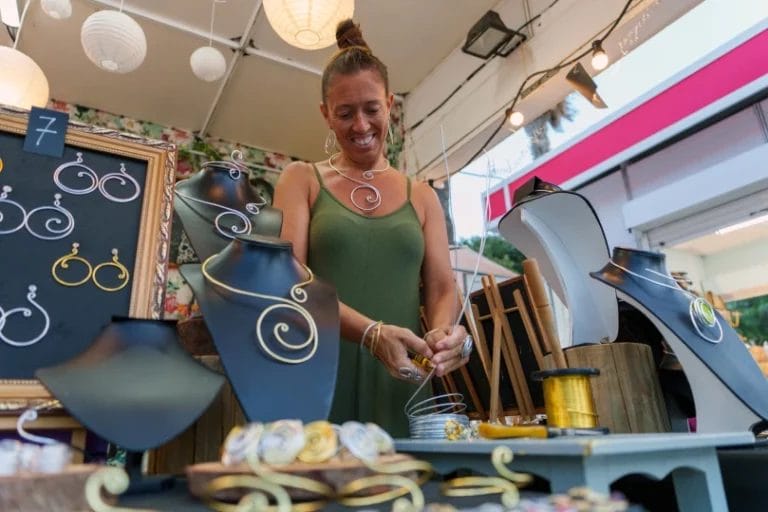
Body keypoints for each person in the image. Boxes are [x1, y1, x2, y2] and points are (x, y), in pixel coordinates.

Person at [274, 19, 470, 437]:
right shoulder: (301, 179)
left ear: (390, 104)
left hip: (401, 385)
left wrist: (444, 335)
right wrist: (370, 334)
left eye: (371, 109)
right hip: (319, 376)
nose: (361, 126)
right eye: (345, 113)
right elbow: (289, 281)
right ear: (326, 114)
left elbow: (441, 287)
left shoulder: (421, 195)